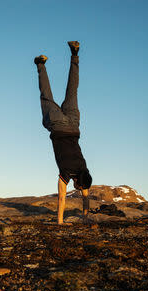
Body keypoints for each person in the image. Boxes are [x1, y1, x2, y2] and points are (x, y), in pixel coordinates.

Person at [34, 41, 92, 225]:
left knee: (72, 89)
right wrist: (60, 222)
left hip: (74, 126)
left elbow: (86, 196)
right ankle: (40, 64)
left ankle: (75, 54)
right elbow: (61, 198)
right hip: (58, 126)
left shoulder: (84, 168)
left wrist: (86, 216)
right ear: (77, 184)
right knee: (46, 97)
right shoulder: (65, 174)